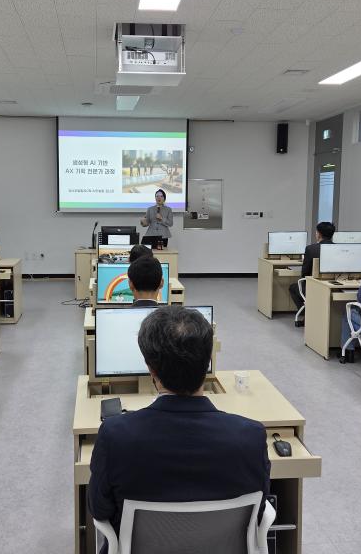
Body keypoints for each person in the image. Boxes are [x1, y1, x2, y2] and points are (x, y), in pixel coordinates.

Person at [88, 306, 270, 548]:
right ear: (208, 362)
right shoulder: (251, 437)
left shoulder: (116, 436)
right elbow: (256, 514)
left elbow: (99, 509)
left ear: (150, 367)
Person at [288, 221, 336, 322]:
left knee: (293, 287)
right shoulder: (338, 248)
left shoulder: (311, 249)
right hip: (332, 285)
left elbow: (305, 272)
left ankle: (308, 313)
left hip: (315, 286)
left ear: (318, 234)